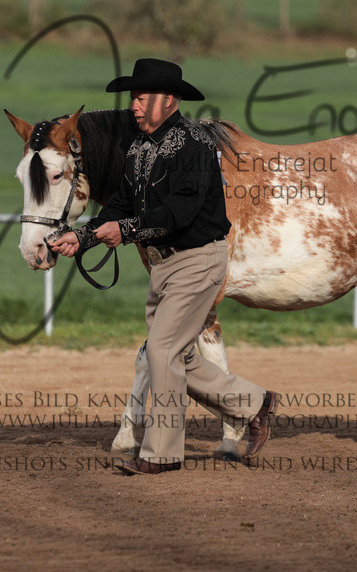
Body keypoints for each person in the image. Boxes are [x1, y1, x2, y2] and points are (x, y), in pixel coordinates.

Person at [50, 58, 276, 475]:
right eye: (133, 98)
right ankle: (254, 404)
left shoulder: (195, 146)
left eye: (141, 98)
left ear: (168, 100)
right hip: (164, 266)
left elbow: (180, 212)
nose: (133, 106)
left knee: (162, 350)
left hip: (199, 260)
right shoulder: (138, 147)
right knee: (180, 357)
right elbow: (121, 202)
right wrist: (82, 236)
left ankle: (162, 453)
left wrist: (127, 230)